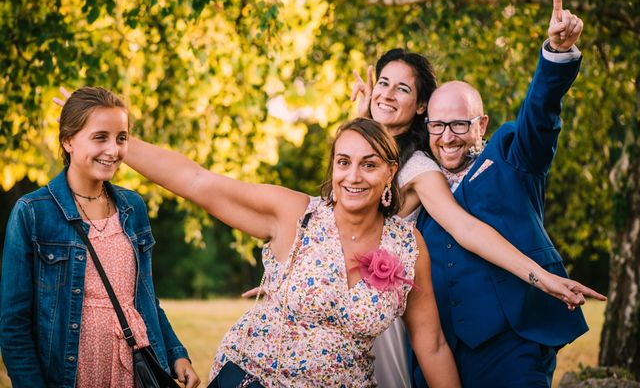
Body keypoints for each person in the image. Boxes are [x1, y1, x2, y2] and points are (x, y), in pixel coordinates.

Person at [112, 117, 460, 387]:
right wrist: (117, 141)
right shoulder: (297, 215)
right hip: (254, 377)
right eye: (343, 162)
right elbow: (197, 182)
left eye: (369, 165)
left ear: (390, 173)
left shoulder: (407, 244)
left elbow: (431, 345)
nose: (353, 176)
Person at [351, 18, 604, 387]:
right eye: (438, 126)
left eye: (459, 125)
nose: (447, 137)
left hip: (512, 341)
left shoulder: (511, 157)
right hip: (440, 348)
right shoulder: (410, 185)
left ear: (481, 124)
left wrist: (557, 55)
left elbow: (540, 115)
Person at [0, 87, 200, 388]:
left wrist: (176, 354)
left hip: (135, 366)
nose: (113, 150)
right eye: (100, 137)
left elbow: (145, 298)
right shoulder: (32, 212)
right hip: (73, 372)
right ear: (68, 140)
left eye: (121, 138)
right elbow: (14, 324)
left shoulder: (134, 207)